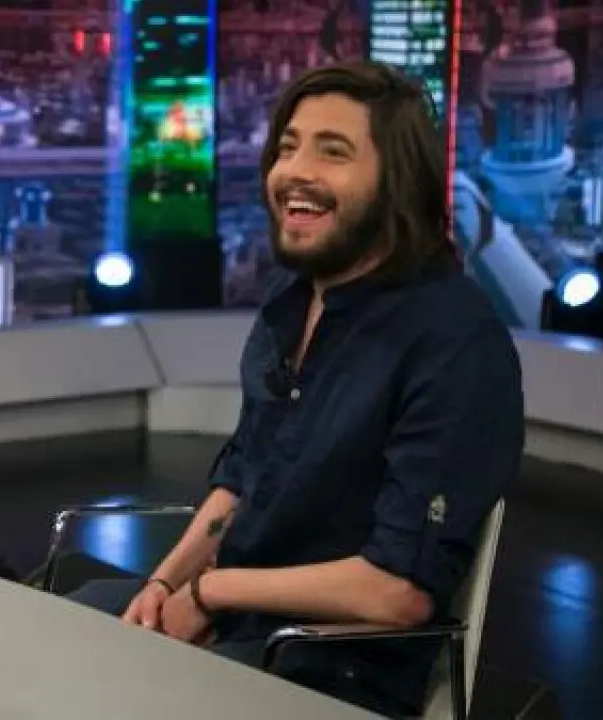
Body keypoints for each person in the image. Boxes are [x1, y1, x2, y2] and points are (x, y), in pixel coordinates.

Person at [67, 61, 524, 716]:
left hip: (334, 667)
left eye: (332, 152)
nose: (294, 172)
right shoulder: (291, 300)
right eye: (287, 148)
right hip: (240, 618)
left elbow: (398, 592)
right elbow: (241, 481)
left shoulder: (454, 343)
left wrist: (210, 594)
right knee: (55, 633)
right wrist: (164, 585)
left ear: (398, 180)